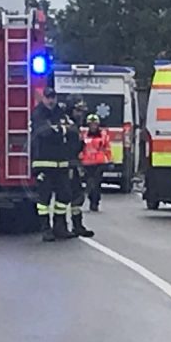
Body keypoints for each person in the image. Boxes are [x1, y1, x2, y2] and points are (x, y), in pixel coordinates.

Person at [32, 88, 75, 241]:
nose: (51, 100)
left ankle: (60, 227)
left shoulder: (60, 113)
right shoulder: (38, 113)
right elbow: (44, 133)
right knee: (44, 199)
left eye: (53, 97)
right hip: (43, 164)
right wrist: (62, 130)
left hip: (61, 164)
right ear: (43, 98)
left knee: (65, 196)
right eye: (48, 97)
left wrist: (58, 129)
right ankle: (45, 229)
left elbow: (73, 131)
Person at [65, 99, 96, 238]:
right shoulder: (69, 126)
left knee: (77, 195)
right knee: (68, 196)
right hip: (68, 166)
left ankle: (77, 225)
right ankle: (65, 226)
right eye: (78, 111)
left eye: (82, 112)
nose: (81, 114)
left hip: (73, 164)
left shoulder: (74, 125)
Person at [80, 113, 111, 212]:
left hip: (99, 163)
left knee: (96, 183)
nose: (93, 126)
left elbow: (107, 148)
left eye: (95, 124)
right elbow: (81, 148)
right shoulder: (84, 135)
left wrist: (109, 161)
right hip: (87, 163)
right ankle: (92, 199)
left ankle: (95, 202)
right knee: (90, 183)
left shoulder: (103, 136)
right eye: (91, 124)